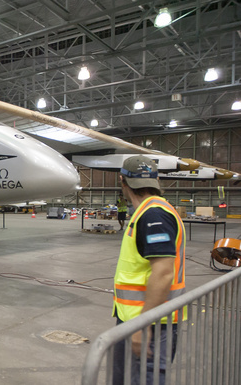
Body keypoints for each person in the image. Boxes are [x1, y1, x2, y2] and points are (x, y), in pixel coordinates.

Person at [111, 155, 186, 385]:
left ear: (123, 182)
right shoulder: (147, 211)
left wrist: (142, 326)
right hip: (138, 319)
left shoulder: (153, 215)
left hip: (150, 324)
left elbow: (163, 273)